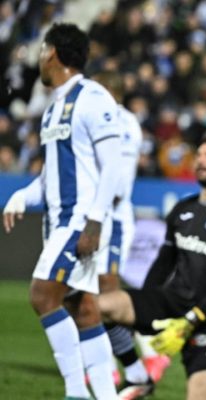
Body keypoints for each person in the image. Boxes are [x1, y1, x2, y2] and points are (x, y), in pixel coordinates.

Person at [2, 23, 121, 399]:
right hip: (58, 222)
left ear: (52, 53)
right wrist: (23, 196)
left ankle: (76, 392)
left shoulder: (93, 97)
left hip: (80, 220)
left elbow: (113, 165)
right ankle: (106, 394)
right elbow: (51, 176)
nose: (39, 57)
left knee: (42, 296)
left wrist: (96, 222)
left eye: (41, 50)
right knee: (83, 309)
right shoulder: (53, 109)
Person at [99, 137, 206, 400]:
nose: (200, 160)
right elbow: (163, 262)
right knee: (97, 306)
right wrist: (144, 305)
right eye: (199, 154)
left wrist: (189, 322)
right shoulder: (184, 208)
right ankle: (138, 376)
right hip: (170, 302)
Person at [92, 71, 163, 398]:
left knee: (106, 295)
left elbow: (118, 178)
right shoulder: (124, 121)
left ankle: (143, 354)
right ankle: (130, 359)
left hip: (112, 217)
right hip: (101, 215)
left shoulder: (119, 122)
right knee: (93, 294)